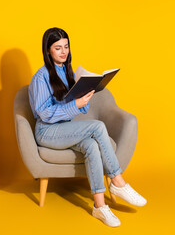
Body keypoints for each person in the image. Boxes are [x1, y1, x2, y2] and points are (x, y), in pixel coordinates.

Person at [28, 27, 147, 227]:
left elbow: (74, 108)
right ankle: (118, 181)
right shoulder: (41, 76)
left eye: (66, 46)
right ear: (48, 51)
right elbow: (44, 113)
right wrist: (76, 104)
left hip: (64, 129)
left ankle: (99, 207)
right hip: (47, 131)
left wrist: (85, 98)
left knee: (91, 145)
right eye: (58, 48)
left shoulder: (68, 72)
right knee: (98, 127)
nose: (63, 51)